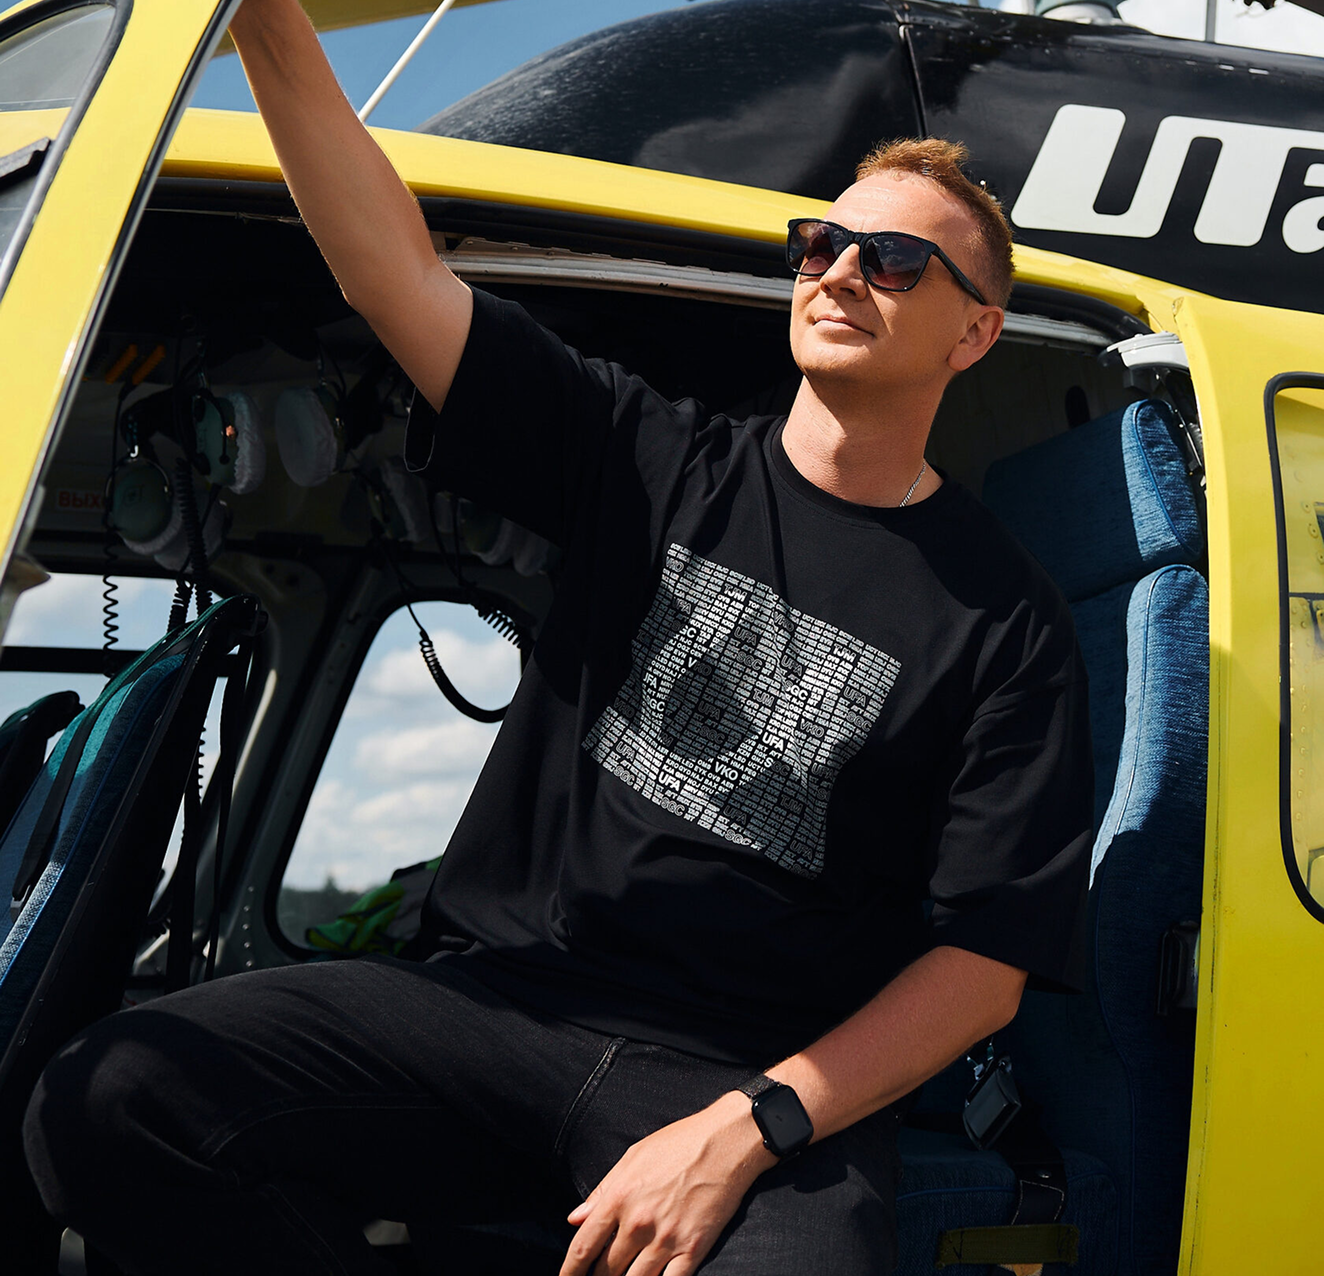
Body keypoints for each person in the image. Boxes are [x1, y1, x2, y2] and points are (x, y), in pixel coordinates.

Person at [22, 2, 1092, 1273]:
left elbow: (982, 964)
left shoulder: (1004, 619)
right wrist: (263, 23)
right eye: (822, 243)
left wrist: (748, 1125)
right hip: (498, 1005)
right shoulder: (648, 459)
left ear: (974, 331)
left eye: (898, 261)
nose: (843, 272)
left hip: (747, 1070)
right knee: (111, 1099)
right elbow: (395, 275)